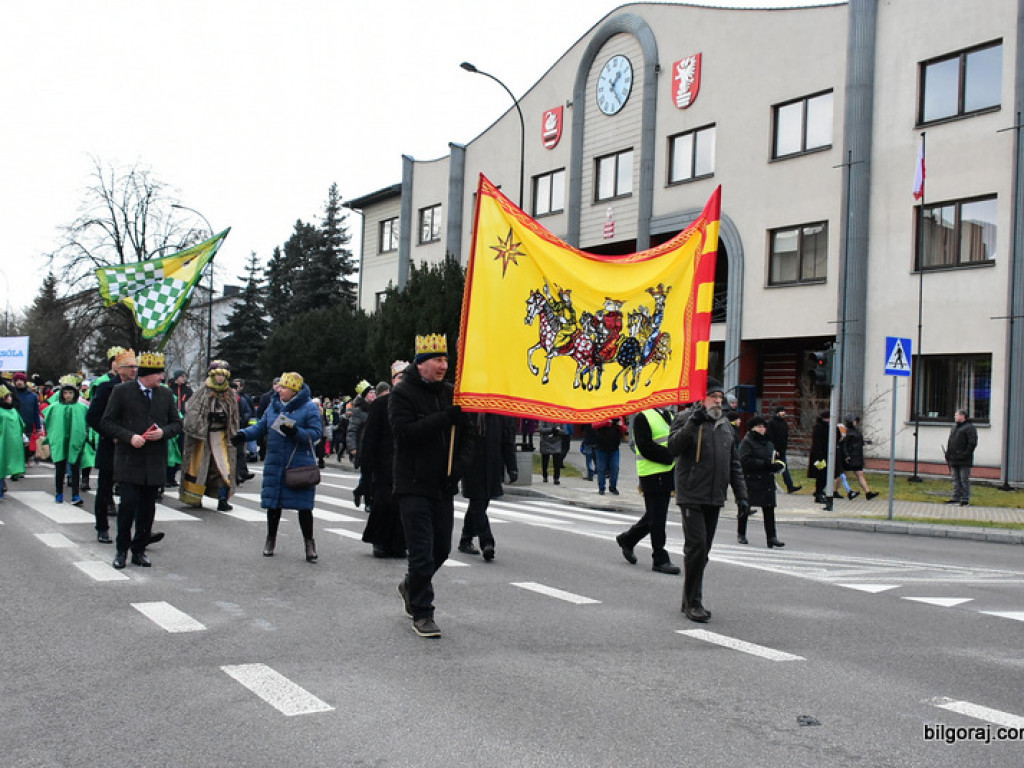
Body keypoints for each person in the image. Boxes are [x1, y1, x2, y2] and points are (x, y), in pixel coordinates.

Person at [389, 333, 474, 639]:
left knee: (442, 548)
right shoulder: (402, 394)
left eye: (446, 360)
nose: (443, 366)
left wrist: (458, 470)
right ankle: (423, 612)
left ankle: (410, 585)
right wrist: (443, 419)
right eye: (437, 360)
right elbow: (405, 433)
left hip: (443, 485)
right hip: (413, 485)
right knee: (422, 553)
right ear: (421, 364)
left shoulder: (452, 394)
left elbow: (468, 437)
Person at [668, 379, 749, 623]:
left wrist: (742, 494)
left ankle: (688, 599)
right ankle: (694, 603)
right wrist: (693, 423)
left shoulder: (725, 426)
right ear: (701, 397)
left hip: (715, 496)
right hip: (691, 493)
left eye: (720, 397)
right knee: (696, 548)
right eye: (713, 396)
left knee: (703, 553)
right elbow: (673, 447)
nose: (718, 401)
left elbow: (733, 462)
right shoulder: (686, 418)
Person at [101, 351, 182, 569]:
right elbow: (107, 422)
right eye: (158, 375)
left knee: (148, 510)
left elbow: (176, 423)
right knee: (127, 507)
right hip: (129, 460)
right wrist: (129, 436)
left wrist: (163, 433)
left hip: (154, 461)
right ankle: (121, 551)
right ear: (147, 375)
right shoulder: (121, 391)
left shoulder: (165, 395)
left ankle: (139, 550)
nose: (161, 379)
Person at [234, 371, 322, 561]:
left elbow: (315, 434)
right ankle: (270, 539)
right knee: (273, 505)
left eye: (283, 387)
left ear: (293, 390)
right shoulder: (273, 406)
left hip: (298, 463)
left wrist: (295, 432)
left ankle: (309, 542)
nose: (279, 389)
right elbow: (261, 426)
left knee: (304, 507)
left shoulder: (309, 408)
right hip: (275, 462)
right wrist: (243, 434)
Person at [615, 406, 681, 574]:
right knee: (658, 516)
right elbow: (644, 446)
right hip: (651, 473)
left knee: (654, 514)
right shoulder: (642, 416)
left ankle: (628, 539)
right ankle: (659, 558)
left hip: (667, 472)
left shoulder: (670, 415)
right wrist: (670, 455)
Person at [87, 348, 143, 544]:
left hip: (133, 446)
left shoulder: (139, 388)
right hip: (111, 446)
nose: (134, 370)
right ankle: (102, 527)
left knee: (135, 490)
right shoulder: (105, 388)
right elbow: (93, 417)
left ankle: (139, 530)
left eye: (136, 366)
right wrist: (112, 436)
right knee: (104, 489)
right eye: (130, 367)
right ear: (120, 369)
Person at [360, 361, 409, 558]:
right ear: (392, 381)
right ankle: (379, 541)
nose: (403, 382)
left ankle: (398, 543)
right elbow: (370, 437)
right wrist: (367, 467)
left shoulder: (412, 402)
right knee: (383, 503)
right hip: (384, 464)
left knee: (401, 506)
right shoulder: (381, 404)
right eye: (399, 378)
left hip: (405, 464)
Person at [180, 360, 240, 512]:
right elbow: (192, 412)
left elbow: (234, 416)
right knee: (199, 467)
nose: (220, 378)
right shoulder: (202, 391)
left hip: (221, 436)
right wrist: (206, 419)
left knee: (223, 468)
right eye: (217, 375)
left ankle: (222, 499)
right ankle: (194, 497)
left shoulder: (230, 394)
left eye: (222, 375)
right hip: (203, 437)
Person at [458, 413, 517, 561]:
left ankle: (465, 539)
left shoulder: (501, 413)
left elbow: (507, 440)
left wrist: (512, 467)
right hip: (472, 465)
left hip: (492, 466)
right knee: (478, 504)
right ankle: (487, 542)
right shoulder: (469, 411)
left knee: (480, 504)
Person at [737, 415, 786, 548]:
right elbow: (744, 460)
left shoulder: (769, 442)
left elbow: (771, 457)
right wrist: (764, 464)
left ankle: (772, 537)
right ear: (753, 428)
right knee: (745, 507)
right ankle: (741, 533)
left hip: (767, 479)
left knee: (769, 509)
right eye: (759, 426)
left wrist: (776, 465)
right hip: (751, 479)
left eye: (764, 426)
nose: (762, 429)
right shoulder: (747, 441)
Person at [43, 375, 89, 506]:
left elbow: (88, 423)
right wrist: (51, 437)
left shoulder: (82, 408)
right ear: (61, 394)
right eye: (65, 393)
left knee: (75, 469)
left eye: (70, 393)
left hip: (76, 441)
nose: (68, 395)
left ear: (75, 393)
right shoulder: (54, 407)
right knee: (60, 468)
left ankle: (75, 494)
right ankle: (59, 493)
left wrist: (85, 437)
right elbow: (48, 422)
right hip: (59, 441)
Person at [840, 414, 878, 500]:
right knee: (843, 475)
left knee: (859, 474)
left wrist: (864, 442)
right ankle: (834, 491)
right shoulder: (847, 432)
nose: (856, 422)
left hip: (857, 456)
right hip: (850, 457)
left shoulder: (856, 431)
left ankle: (868, 493)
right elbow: (844, 445)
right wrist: (846, 456)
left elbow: (857, 441)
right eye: (854, 421)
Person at [945, 408, 978, 506]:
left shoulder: (969, 428)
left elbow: (972, 443)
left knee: (964, 479)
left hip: (964, 459)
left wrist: (965, 454)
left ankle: (965, 498)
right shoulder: (954, 427)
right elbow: (950, 441)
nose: (955, 417)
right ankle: (956, 497)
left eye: (957, 415)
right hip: (953, 458)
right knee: (955, 479)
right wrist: (948, 453)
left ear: (963, 416)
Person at [0, 384, 27, 499]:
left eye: (10, 396)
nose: (10, 398)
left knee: (5, 465)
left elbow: (20, 425)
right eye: (7, 397)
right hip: (1, 441)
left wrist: (23, 437)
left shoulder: (14, 411)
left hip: (10, 442)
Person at [766, 406, 801, 493]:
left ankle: (790, 486)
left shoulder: (784, 423)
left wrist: (784, 447)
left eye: (784, 411)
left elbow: (785, 436)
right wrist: (773, 449)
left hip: (782, 449)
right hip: (774, 450)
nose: (784, 413)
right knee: (771, 468)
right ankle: (771, 486)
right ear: (777, 412)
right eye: (782, 411)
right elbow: (770, 437)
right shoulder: (771, 423)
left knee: (784, 468)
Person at [10, 372, 41, 472]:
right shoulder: (11, 395)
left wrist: (38, 426)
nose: (19, 382)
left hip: (28, 423)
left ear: (24, 381)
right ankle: (18, 466)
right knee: (16, 445)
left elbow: (36, 412)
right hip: (14, 424)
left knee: (26, 445)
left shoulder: (32, 396)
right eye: (17, 381)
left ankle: (25, 459)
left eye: (21, 380)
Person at [592, 415, 627, 495]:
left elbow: (624, 429)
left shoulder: (619, 416)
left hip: (614, 447)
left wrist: (620, 425)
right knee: (601, 468)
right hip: (601, 447)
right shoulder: (601, 414)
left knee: (615, 468)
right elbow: (594, 425)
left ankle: (613, 487)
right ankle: (601, 488)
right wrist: (606, 422)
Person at [807, 410, 834, 504]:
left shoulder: (827, 427)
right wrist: (820, 457)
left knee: (825, 475)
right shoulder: (819, 427)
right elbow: (818, 443)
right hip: (820, 456)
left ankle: (819, 492)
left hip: (825, 455)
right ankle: (818, 493)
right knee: (821, 475)